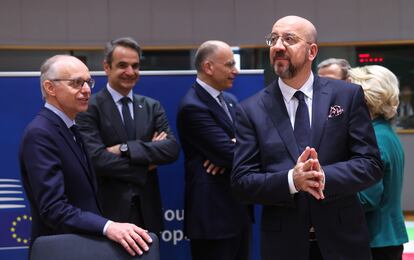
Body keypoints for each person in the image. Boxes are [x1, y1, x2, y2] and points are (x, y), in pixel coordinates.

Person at [231, 15, 383, 260]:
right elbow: (241, 183)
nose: (278, 46)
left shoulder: (346, 96)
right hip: (284, 246)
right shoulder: (250, 109)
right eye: (273, 39)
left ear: (312, 51)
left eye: (289, 39)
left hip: (344, 242)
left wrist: (323, 177)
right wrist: (293, 180)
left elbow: (371, 164)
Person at [19, 55, 153, 256]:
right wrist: (108, 227)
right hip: (61, 251)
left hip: (83, 248)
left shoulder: (72, 127)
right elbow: (53, 208)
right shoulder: (41, 133)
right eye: (76, 83)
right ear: (50, 88)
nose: (87, 90)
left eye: (88, 82)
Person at [76, 37, 180, 235]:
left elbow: (171, 150)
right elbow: (96, 159)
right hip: (108, 215)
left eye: (135, 66)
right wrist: (146, 163)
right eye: (122, 65)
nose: (130, 72)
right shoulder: (89, 107)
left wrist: (125, 148)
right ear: (107, 67)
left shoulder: (151, 106)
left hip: (148, 214)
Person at [177, 40, 251, 260]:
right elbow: (230, 154)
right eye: (229, 64)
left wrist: (237, 146)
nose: (235, 71)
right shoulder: (193, 106)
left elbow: (247, 143)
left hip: (238, 210)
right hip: (213, 217)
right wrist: (234, 147)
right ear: (208, 67)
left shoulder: (230, 100)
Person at [349, 65, 409, 260]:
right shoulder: (385, 132)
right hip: (386, 239)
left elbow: (367, 198)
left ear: (364, 100)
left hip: (375, 242)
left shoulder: (373, 138)